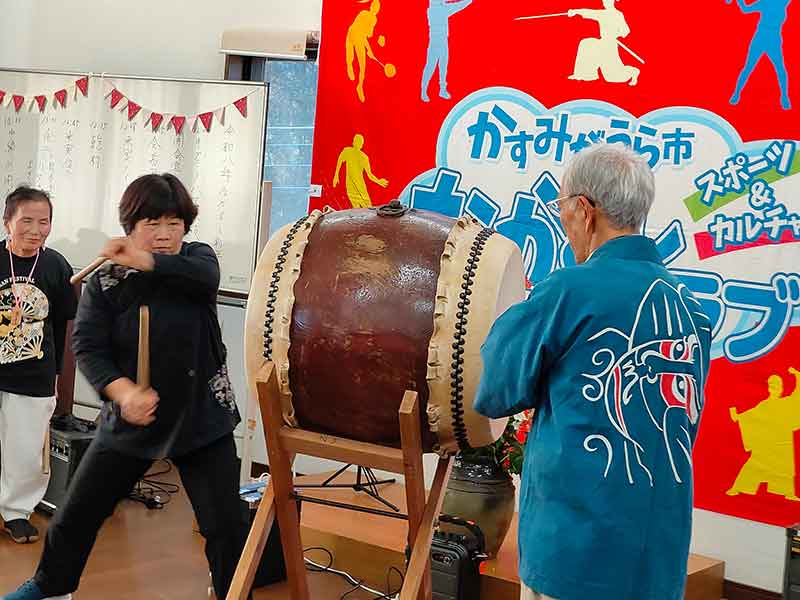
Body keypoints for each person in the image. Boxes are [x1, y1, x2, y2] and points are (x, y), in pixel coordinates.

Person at [474, 144, 712, 600]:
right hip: (658, 557)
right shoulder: (690, 307)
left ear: (585, 210)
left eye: (562, 209)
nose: (563, 223)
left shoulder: (568, 290)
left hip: (576, 549)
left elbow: (496, 392)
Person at [3, 174, 250, 600]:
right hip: (130, 421)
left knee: (224, 526)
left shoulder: (197, 261)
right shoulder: (106, 280)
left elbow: (203, 276)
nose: (164, 234)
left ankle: (232, 593)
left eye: (174, 223)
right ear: (131, 225)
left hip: (200, 419)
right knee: (74, 517)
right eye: (152, 223)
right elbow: (88, 346)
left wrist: (143, 261)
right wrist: (123, 392)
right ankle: (48, 587)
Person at [0, 187, 77, 545]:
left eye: (43, 221)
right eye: (26, 220)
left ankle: (15, 512)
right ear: (7, 223)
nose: (35, 229)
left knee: (25, 448)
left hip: (34, 375)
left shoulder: (56, 266)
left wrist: (57, 376)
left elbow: (62, 323)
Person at [728, 0, 792, 110]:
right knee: (748, 67)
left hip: (774, 37)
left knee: (780, 69)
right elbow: (745, 10)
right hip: (761, 36)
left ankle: (785, 97)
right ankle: (736, 93)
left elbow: (745, 9)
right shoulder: (766, 2)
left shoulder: (782, 2)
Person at [567, 0, 639, 85]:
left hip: (610, 46)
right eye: (604, 1)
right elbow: (589, 12)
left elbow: (626, 31)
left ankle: (634, 72)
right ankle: (584, 74)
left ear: (613, 1)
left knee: (612, 77)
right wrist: (575, 11)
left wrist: (615, 34)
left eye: (607, 1)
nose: (605, 3)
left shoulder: (618, 15)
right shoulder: (602, 13)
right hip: (602, 43)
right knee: (586, 43)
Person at [421, 0, 472, 102]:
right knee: (433, 67)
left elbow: (454, 5)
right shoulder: (441, 9)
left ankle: (440, 90)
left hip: (441, 41)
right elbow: (458, 5)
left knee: (441, 67)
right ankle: (425, 91)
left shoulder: (434, 9)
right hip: (437, 42)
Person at [333, 133, 389, 208]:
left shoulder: (364, 157)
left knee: (367, 207)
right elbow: (339, 162)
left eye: (359, 142)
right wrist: (336, 175)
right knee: (356, 208)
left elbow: (369, 175)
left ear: (361, 144)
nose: (357, 143)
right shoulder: (347, 151)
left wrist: (379, 181)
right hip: (350, 185)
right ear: (353, 142)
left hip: (360, 185)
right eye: (356, 141)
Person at [346, 0, 382, 102]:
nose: (376, 9)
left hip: (355, 35)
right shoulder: (364, 15)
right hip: (353, 34)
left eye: (377, 8)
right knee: (352, 59)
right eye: (375, 6)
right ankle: (350, 68)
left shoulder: (372, 19)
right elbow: (361, 35)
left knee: (361, 65)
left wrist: (369, 50)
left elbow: (365, 35)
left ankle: (359, 85)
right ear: (371, 7)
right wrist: (369, 50)